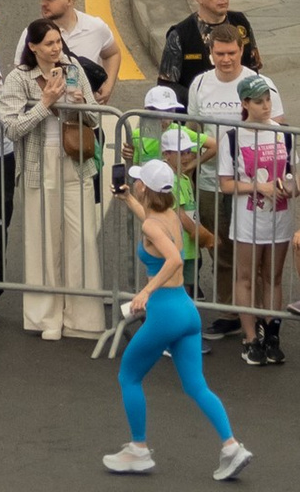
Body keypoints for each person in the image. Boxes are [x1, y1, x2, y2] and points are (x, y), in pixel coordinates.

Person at [106, 156, 250, 477]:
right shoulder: (169, 216)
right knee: (197, 386)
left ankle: (138, 448)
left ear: (145, 187)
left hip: (164, 314)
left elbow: (173, 259)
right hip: (187, 312)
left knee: (129, 377)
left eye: (138, 181)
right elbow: (153, 227)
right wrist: (128, 200)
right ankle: (231, 446)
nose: (136, 183)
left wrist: (146, 291)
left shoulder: (152, 225)